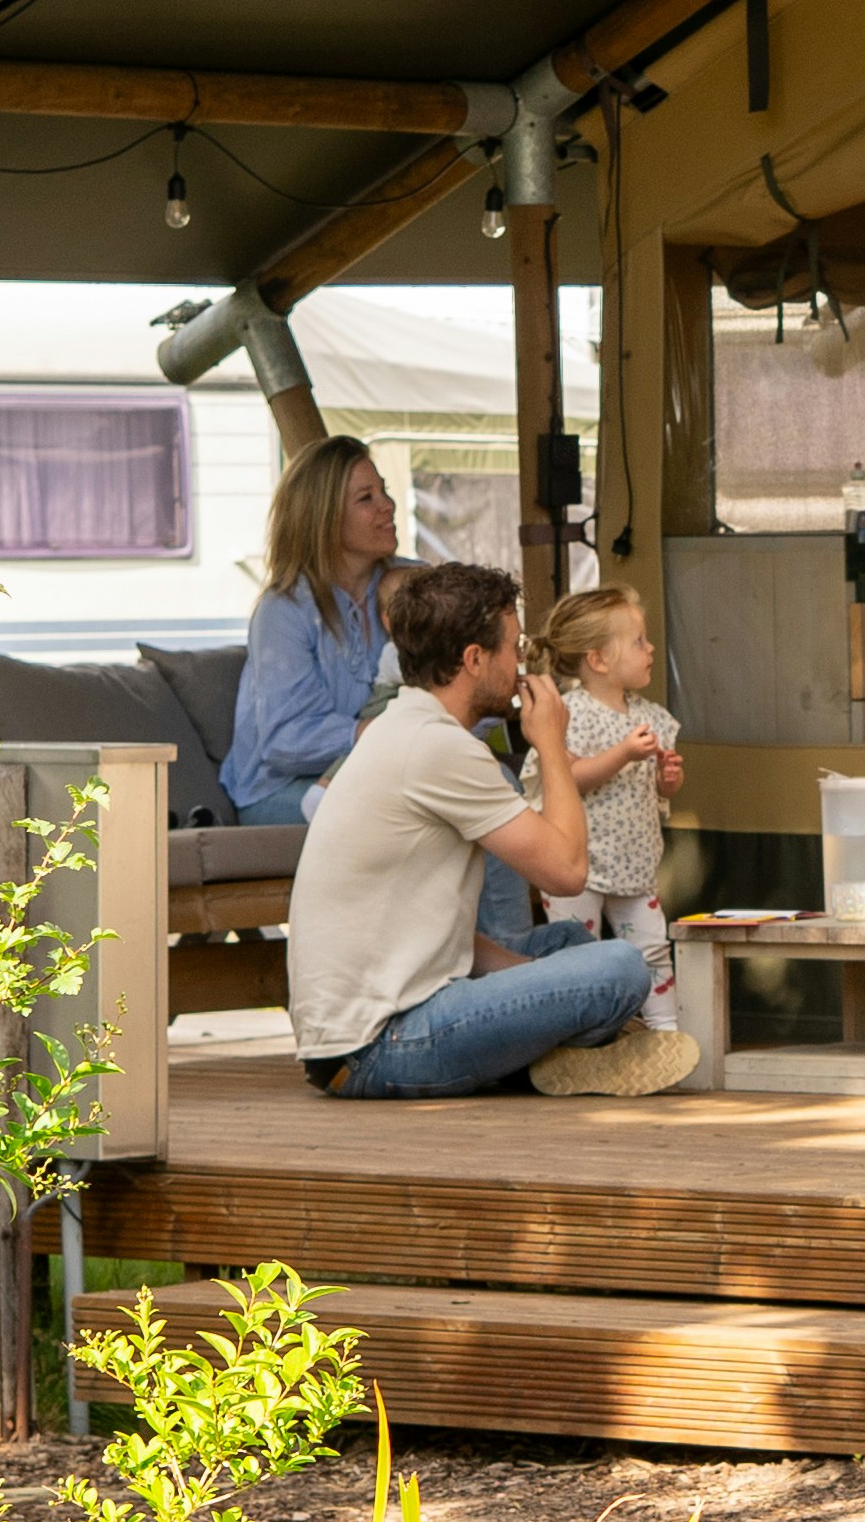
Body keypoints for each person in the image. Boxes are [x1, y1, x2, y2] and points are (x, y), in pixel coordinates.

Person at [291, 558, 695, 1100]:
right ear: (474, 659)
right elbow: (568, 872)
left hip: (363, 1036)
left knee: (572, 943)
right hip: (378, 1046)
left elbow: (440, 939)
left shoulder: (406, 728)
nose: (522, 662)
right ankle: (567, 1057)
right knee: (619, 965)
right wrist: (551, 742)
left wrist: (541, 983)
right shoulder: (439, 748)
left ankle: (563, 1059)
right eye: (513, 646)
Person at [532, 584, 689, 1032]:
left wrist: (668, 780)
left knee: (653, 948)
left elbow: (659, 790)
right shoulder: (566, 714)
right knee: (578, 954)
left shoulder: (651, 717)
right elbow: (567, 777)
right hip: (575, 861)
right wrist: (622, 753)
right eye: (638, 641)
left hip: (634, 860)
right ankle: (575, 1038)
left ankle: (665, 1035)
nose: (651, 647)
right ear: (598, 660)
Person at [222, 433, 399, 825]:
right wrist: (383, 732)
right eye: (366, 498)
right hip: (284, 790)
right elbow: (288, 741)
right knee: (401, 813)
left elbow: (473, 674)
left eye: (383, 491)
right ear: (322, 518)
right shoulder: (283, 610)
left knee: (500, 783)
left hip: (393, 771)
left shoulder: (412, 584)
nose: (388, 506)